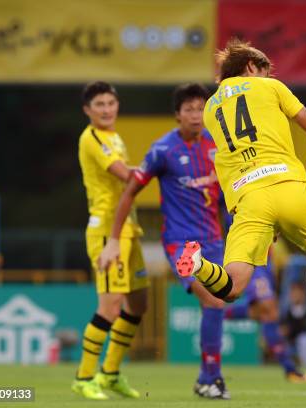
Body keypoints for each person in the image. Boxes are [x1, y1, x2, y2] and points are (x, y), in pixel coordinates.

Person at [174, 39, 306, 369]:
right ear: (252, 68)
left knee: (230, 289)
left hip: (249, 197)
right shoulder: (270, 87)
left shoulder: (211, 108)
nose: (268, 75)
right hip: (288, 184)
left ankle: (199, 266)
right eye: (265, 69)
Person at [99, 83, 231, 399]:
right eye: (189, 109)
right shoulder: (163, 150)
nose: (196, 115)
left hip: (215, 240)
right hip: (181, 244)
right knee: (214, 300)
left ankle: (209, 378)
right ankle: (209, 378)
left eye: (201, 108)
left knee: (223, 303)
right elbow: (130, 190)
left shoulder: (217, 147)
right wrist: (114, 239)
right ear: (177, 115)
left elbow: (230, 195)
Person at [74, 81, 147, 400]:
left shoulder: (114, 136)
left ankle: (110, 373)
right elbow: (123, 174)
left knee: (139, 303)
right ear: (87, 110)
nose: (106, 109)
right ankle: (84, 376)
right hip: (106, 231)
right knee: (111, 305)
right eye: (99, 104)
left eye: (110, 103)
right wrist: (159, 168)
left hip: (128, 229)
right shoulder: (91, 138)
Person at [224, 257, 306, 383]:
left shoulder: (269, 259)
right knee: (268, 312)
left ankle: (291, 371)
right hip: (255, 271)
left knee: (267, 315)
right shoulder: (255, 260)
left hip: (263, 273)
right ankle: (291, 370)